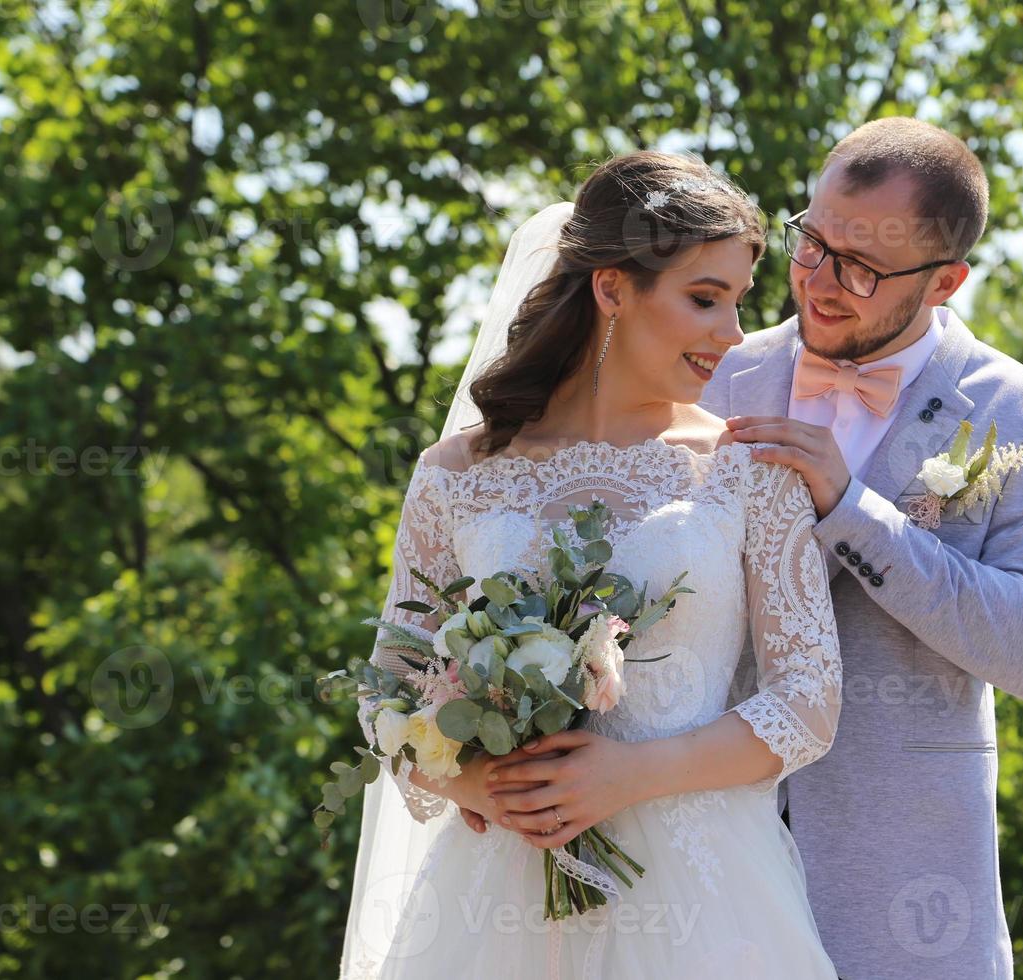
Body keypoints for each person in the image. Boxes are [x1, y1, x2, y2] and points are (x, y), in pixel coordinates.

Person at [338, 152, 842, 979]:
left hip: (707, 904)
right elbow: (387, 686)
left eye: (739, 304)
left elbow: (810, 700)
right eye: (704, 299)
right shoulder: (457, 473)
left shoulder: (749, 469)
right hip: (493, 899)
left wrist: (630, 775)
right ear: (613, 289)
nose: (734, 335)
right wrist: (473, 783)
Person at [701, 117, 1023, 979]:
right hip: (702, 867)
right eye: (813, 243)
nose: (822, 283)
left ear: (946, 280)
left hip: (904, 910)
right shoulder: (711, 372)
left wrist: (854, 507)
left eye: (865, 269)